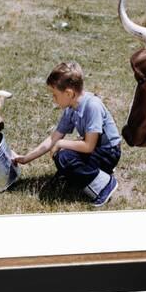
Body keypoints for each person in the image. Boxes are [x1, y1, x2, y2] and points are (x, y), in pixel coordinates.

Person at [13, 62, 122, 207]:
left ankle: (105, 185)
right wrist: (25, 158)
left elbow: (88, 146)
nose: (53, 99)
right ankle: (94, 172)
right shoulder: (71, 107)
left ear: (69, 93)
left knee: (64, 156)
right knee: (61, 156)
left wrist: (60, 144)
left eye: (55, 95)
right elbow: (54, 138)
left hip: (109, 152)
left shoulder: (92, 106)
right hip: (96, 149)